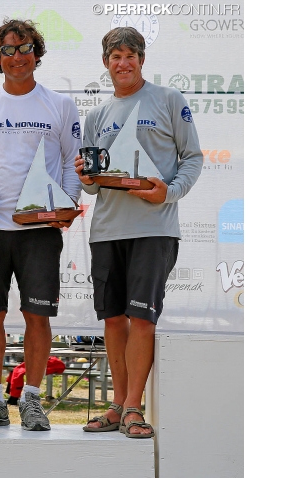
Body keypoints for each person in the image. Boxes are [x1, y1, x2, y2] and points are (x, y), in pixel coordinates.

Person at [0, 19, 81, 431]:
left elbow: (70, 161)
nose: (16, 56)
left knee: (37, 317)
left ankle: (31, 399)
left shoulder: (60, 104)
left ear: (37, 54)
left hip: (40, 228)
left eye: (24, 47)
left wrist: (65, 205)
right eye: (7, 50)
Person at [78, 27, 202, 438]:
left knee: (141, 319)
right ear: (105, 63)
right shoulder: (95, 116)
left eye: (131, 55)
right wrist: (85, 176)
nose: (123, 63)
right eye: (115, 56)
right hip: (106, 231)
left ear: (142, 60)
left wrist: (170, 193)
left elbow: (193, 158)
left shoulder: (169, 100)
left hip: (154, 228)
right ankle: (116, 405)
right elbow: (92, 185)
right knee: (113, 320)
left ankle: (134, 407)